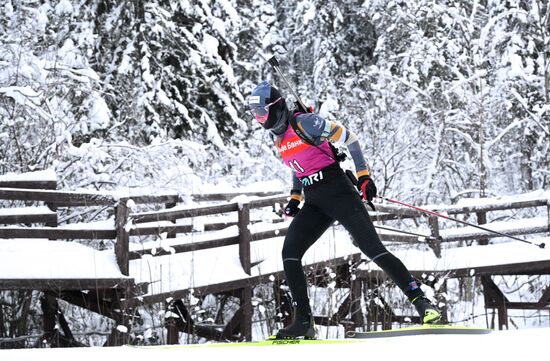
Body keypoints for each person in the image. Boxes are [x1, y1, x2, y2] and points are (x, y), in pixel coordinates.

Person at [247, 80, 441, 339]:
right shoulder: (278, 137)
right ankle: (304, 321)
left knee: (372, 249)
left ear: (276, 107)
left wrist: (363, 176)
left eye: (261, 112)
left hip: (339, 192)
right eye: (254, 114)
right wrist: (295, 197)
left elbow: (350, 138)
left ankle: (422, 302)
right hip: (315, 200)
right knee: (290, 252)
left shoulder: (305, 123)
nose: (259, 119)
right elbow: (298, 166)